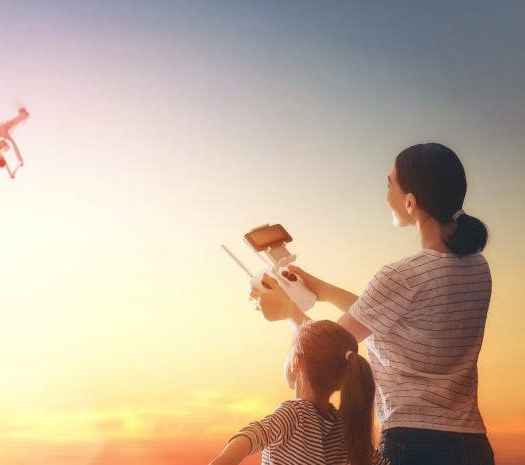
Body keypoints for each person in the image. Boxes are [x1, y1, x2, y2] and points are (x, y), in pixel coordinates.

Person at [253, 143, 494, 464]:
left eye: (389, 184)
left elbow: (325, 352)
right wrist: (321, 289)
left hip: (415, 445)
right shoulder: (478, 268)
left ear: (410, 203)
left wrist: (288, 312)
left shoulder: (401, 276)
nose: (385, 194)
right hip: (473, 444)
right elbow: (408, 319)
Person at [209, 320, 390, 465]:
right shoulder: (345, 426)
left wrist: (223, 460)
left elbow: (256, 433)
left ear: (296, 361)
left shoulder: (293, 413)